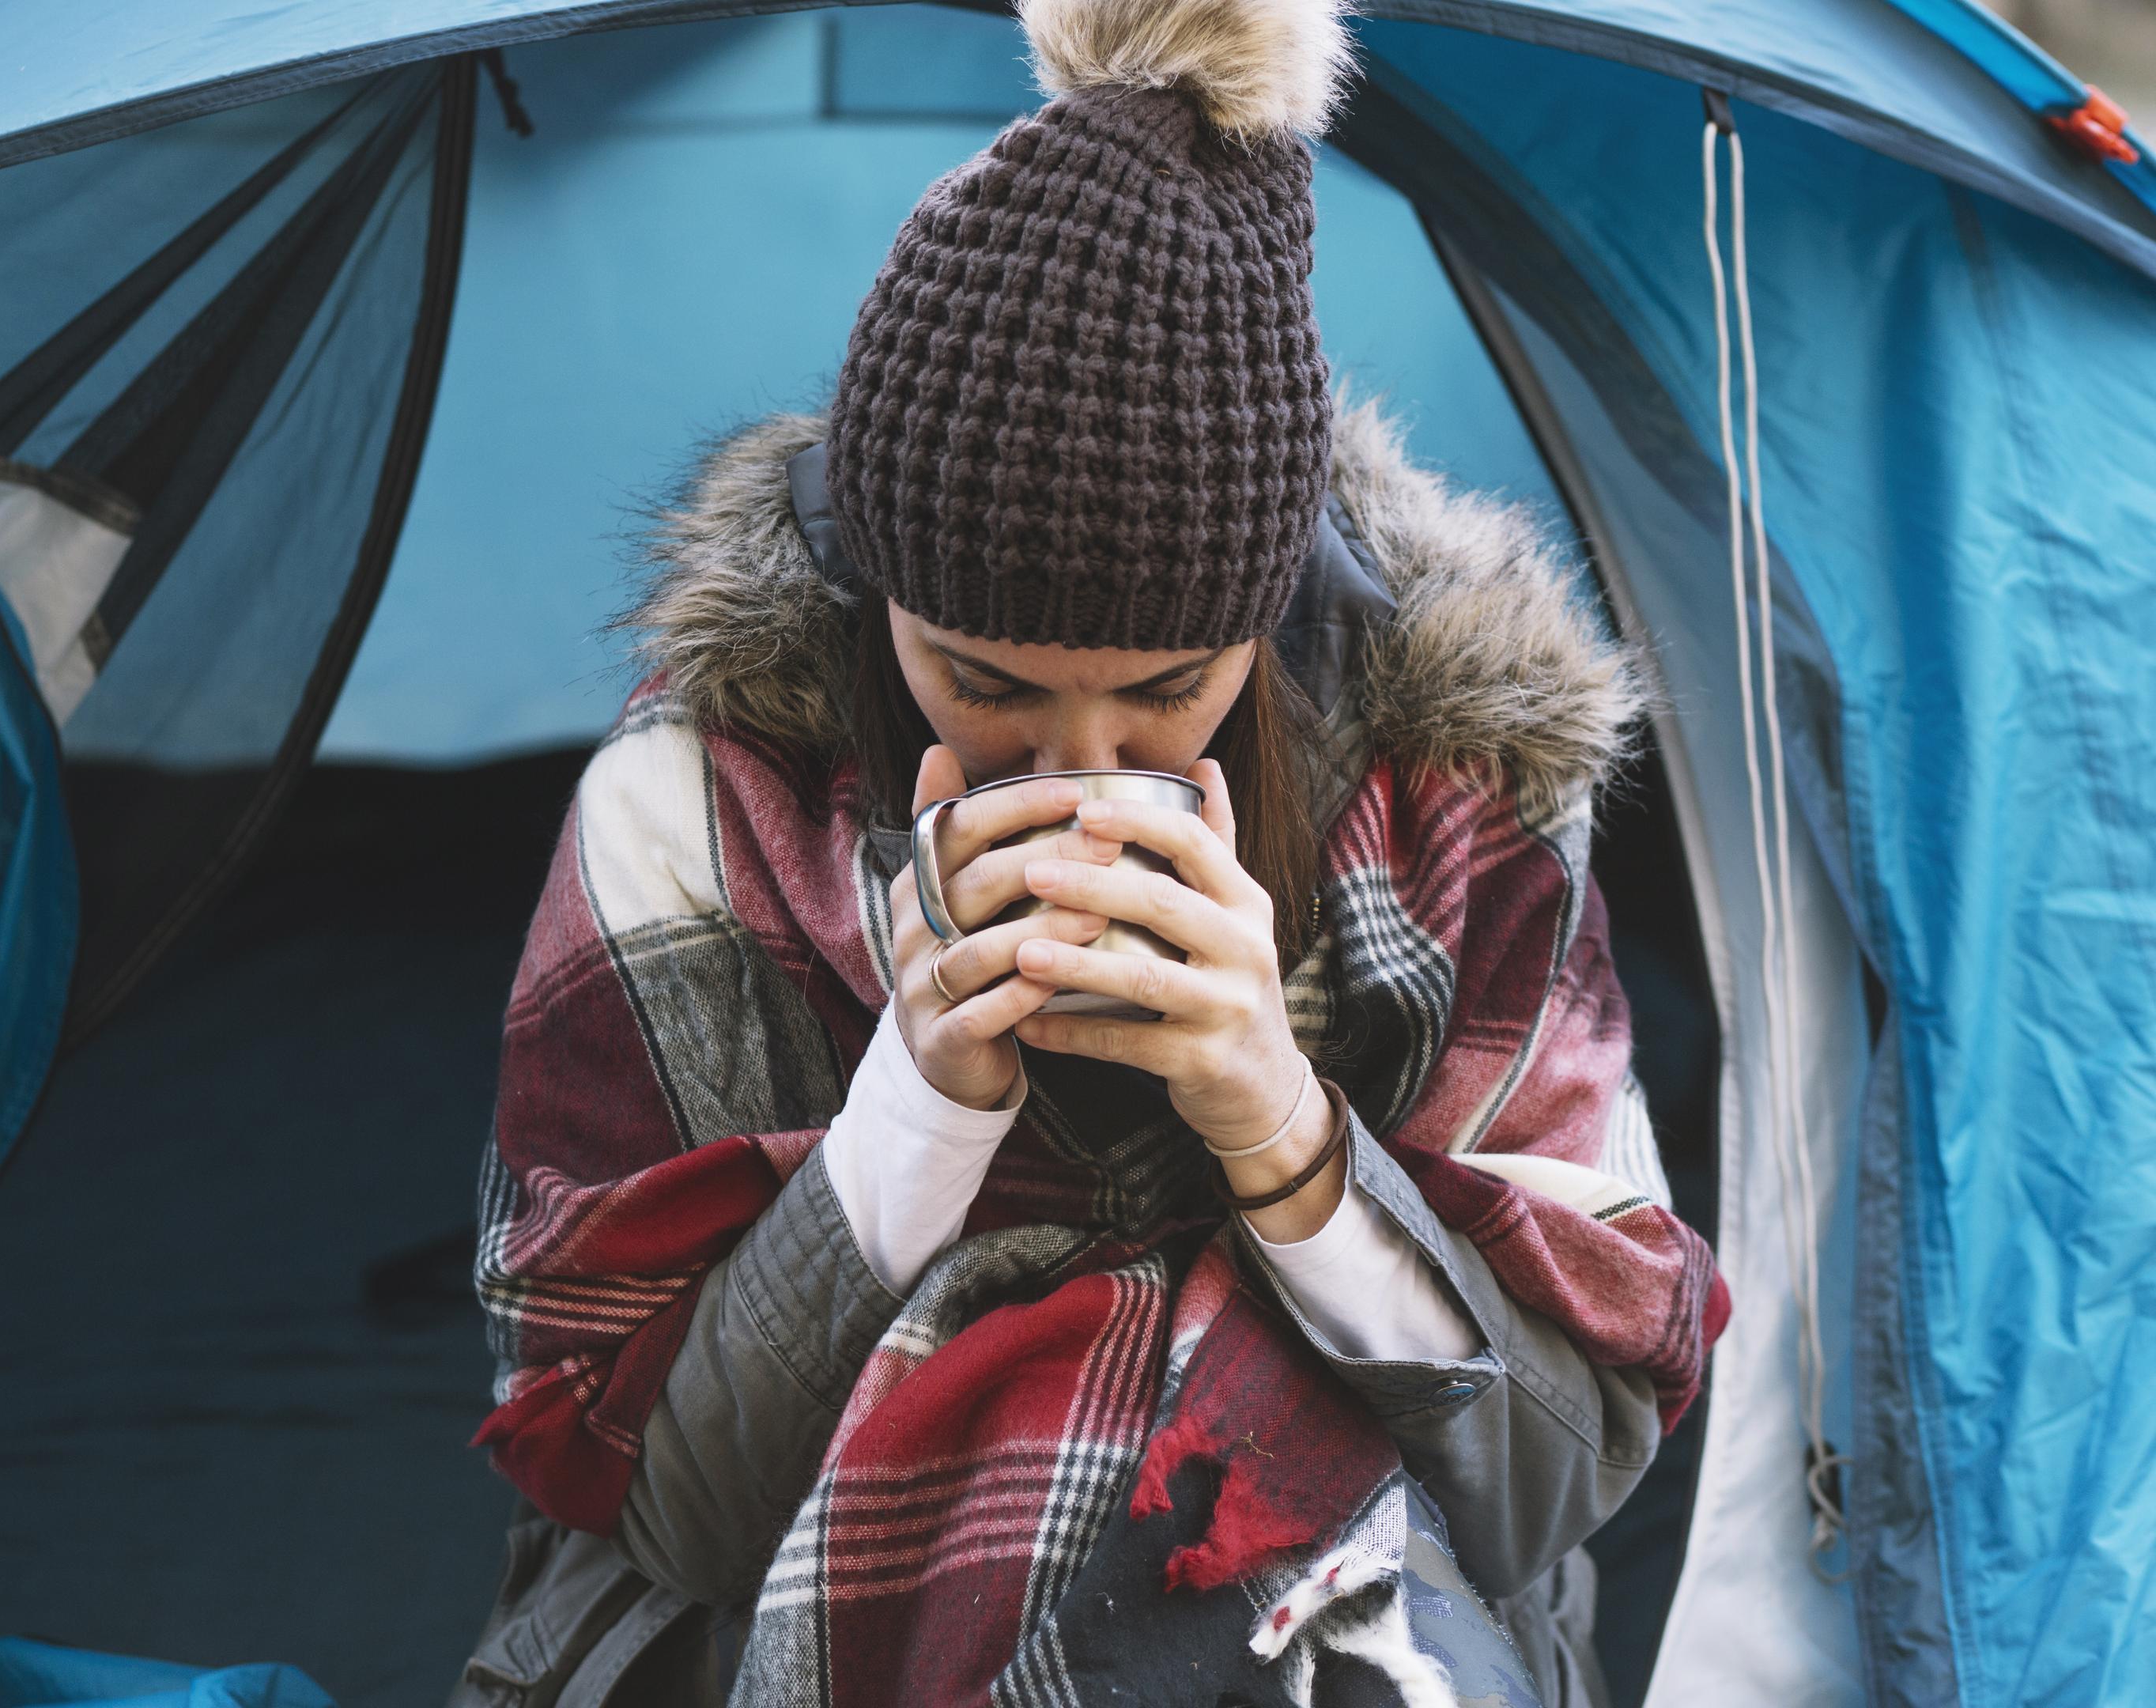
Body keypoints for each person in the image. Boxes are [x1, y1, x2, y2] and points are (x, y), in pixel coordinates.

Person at [457, 0, 1725, 1702]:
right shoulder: (691, 807)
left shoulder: (1459, 799)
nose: (1081, 769)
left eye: (1166, 693)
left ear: (1260, 629)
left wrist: (1281, 1126)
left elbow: (1558, 1480)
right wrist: (916, 1115)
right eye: (983, 685)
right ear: (881, 602)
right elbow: (665, 1513)